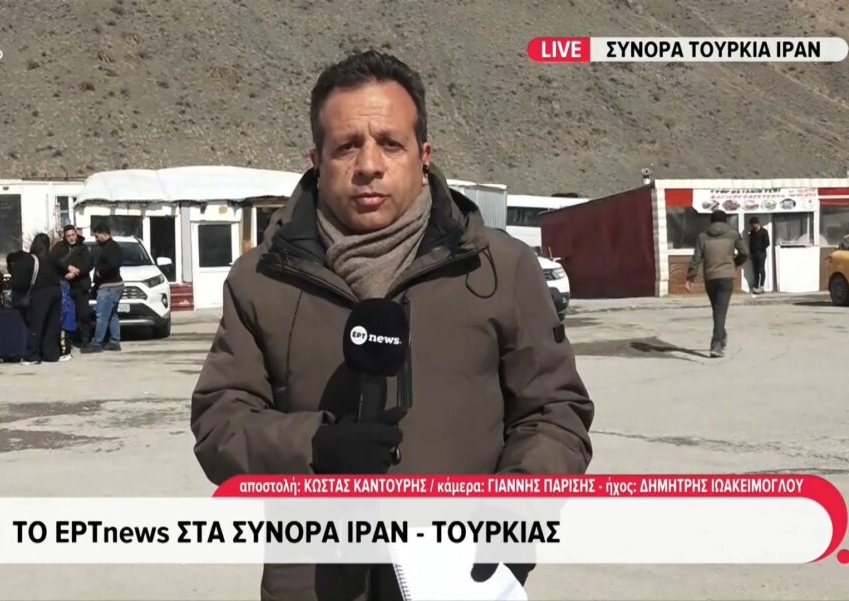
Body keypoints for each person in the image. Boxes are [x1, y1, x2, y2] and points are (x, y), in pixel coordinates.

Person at [190, 51, 594, 600]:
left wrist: (517, 509)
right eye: (346, 146)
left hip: (459, 581)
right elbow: (219, 424)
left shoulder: (501, 269)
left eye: (390, 143)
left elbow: (555, 411)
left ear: (424, 156)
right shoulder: (259, 280)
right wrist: (314, 446)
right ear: (316, 160)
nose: (369, 165)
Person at [685, 210, 750, 358]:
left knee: (717, 310)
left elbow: (696, 258)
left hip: (710, 278)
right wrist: (734, 263)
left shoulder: (702, 236)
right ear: (725, 221)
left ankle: (722, 335)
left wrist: (690, 278)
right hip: (726, 277)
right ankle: (716, 345)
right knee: (720, 312)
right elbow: (745, 252)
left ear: (711, 221)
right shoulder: (733, 234)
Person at [10, 234, 68, 364]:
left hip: (40, 294)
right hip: (56, 292)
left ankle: (32, 355)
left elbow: (20, 282)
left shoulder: (29, 260)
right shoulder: (52, 259)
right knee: (52, 325)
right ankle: (51, 354)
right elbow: (64, 270)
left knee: (36, 324)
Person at [50, 224, 94, 346]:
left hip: (80, 285)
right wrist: (67, 268)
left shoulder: (83, 248)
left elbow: (89, 264)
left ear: (76, 234)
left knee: (83, 313)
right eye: (68, 236)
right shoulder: (59, 248)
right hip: (64, 285)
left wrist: (75, 273)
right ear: (65, 237)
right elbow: (53, 261)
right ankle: (66, 339)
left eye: (73, 235)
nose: (71, 238)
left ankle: (85, 338)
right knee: (65, 313)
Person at [81, 224, 122, 353]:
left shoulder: (111, 247)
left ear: (104, 234)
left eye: (97, 236)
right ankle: (114, 341)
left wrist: (100, 273)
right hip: (115, 286)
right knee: (112, 315)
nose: (96, 239)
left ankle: (96, 343)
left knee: (102, 316)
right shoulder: (111, 246)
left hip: (109, 287)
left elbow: (114, 264)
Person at [747, 217, 770, 294]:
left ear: (756, 223)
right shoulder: (752, 232)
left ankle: (762, 286)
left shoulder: (764, 231)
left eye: (752, 225)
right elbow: (750, 243)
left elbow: (767, 242)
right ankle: (755, 286)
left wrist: (761, 248)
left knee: (761, 270)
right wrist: (751, 253)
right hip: (754, 254)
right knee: (755, 270)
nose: (751, 226)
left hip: (761, 254)